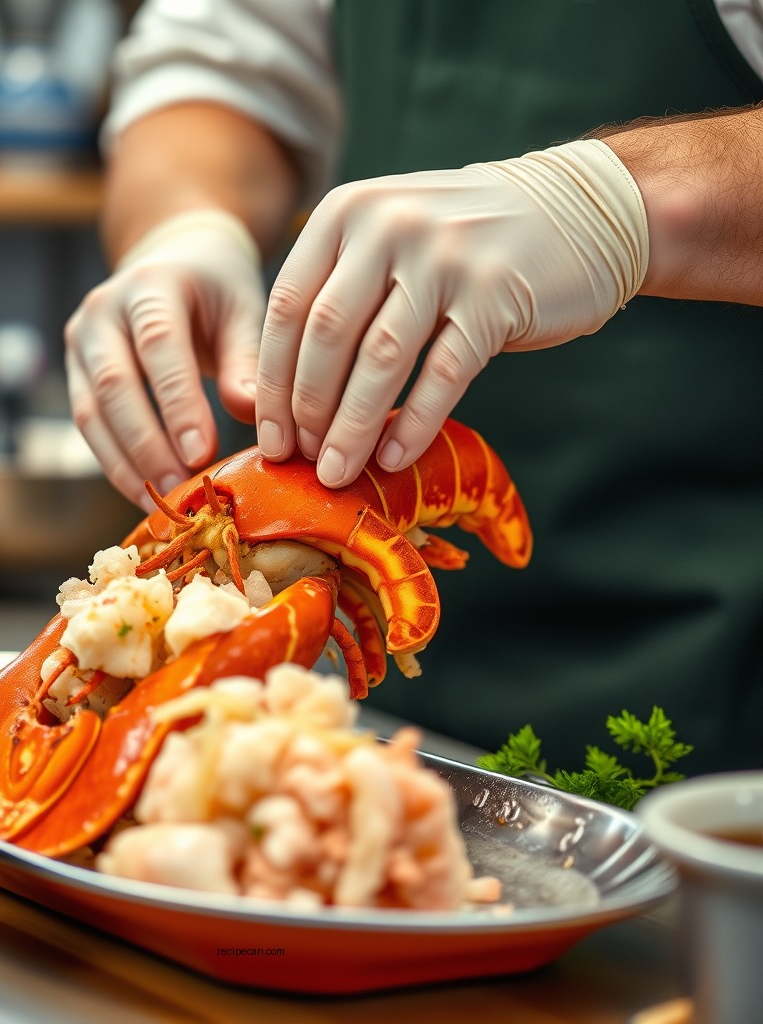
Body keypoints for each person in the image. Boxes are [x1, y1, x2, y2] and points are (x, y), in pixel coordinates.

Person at [64, 1, 763, 775]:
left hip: (719, 699)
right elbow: (216, 68)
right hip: (381, 729)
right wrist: (187, 226)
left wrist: (618, 203)